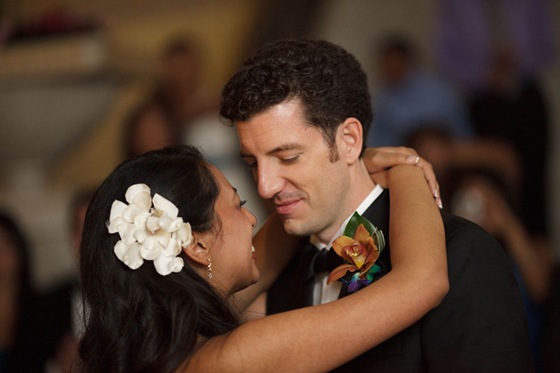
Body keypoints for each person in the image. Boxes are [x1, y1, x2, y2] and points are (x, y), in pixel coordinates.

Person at [219, 38, 533, 371]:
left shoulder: (462, 253)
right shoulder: (279, 269)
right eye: (253, 163)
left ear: (349, 141)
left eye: (288, 157)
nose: (265, 187)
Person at [77, 145, 447, 372]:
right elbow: (423, 281)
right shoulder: (231, 358)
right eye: (238, 204)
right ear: (197, 245)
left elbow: (269, 248)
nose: (254, 217)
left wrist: (345, 171)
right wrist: (408, 168)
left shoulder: (167, 347)